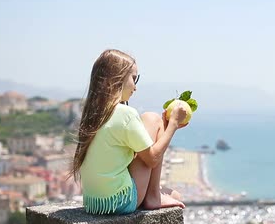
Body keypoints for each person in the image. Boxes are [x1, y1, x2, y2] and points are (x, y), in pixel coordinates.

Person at [69, 49, 188, 214]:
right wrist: (173, 124)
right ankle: (153, 196)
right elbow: (152, 158)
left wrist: (166, 128)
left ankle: (155, 193)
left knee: (174, 193)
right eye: (134, 78)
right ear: (116, 79)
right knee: (152, 118)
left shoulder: (94, 114)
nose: (135, 87)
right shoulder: (125, 114)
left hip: (94, 203)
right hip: (120, 201)